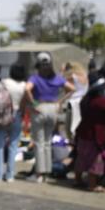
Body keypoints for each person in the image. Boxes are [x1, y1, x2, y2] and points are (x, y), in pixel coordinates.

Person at [25, 52, 70, 182]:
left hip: (40, 107)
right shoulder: (56, 78)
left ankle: (39, 173)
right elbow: (71, 88)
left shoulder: (35, 78)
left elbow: (27, 89)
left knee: (39, 142)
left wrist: (33, 103)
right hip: (53, 109)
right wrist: (60, 102)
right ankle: (46, 173)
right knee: (47, 142)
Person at [73, 82, 105, 192]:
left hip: (83, 131)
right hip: (97, 134)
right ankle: (92, 185)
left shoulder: (85, 101)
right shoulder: (104, 102)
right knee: (95, 160)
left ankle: (77, 180)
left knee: (81, 157)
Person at [0, 64, 27, 182]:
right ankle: (10, 175)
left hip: (3, 115)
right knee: (13, 145)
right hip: (17, 115)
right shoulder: (24, 86)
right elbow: (25, 102)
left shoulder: (4, 82)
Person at [63, 61, 88, 140]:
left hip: (73, 102)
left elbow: (68, 91)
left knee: (69, 127)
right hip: (83, 101)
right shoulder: (85, 76)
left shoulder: (71, 77)